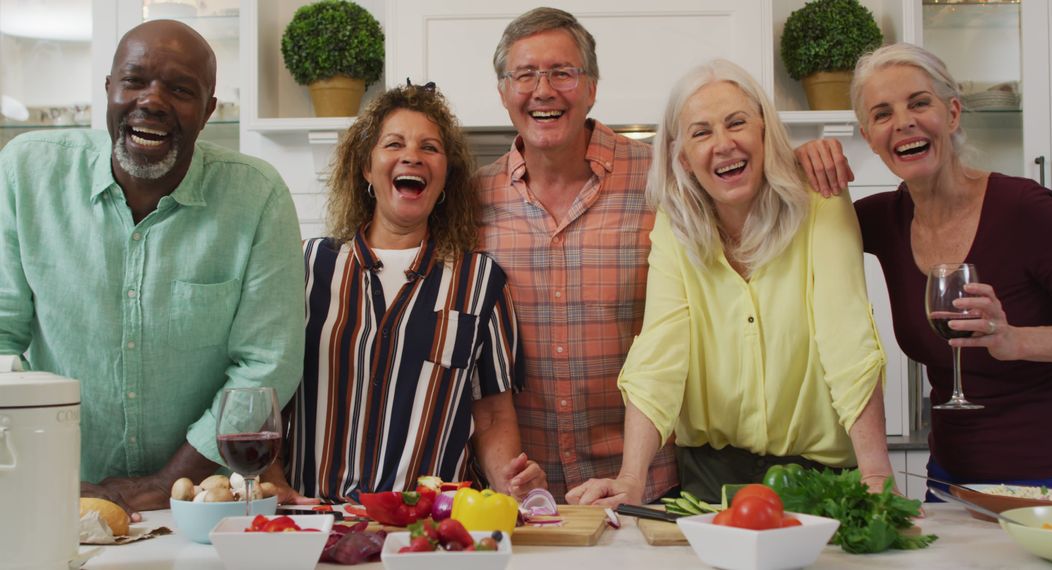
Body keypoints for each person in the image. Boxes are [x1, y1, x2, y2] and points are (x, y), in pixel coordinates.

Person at [0, 20, 305, 518]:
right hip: (51, 494)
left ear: (208, 111)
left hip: (202, 502)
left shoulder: (258, 197)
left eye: (180, 89)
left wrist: (169, 483)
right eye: (134, 80)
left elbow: (265, 365)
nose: (152, 100)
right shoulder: (24, 173)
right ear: (108, 89)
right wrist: (42, 469)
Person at [566, 59, 895, 507]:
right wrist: (630, 478)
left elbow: (848, 337)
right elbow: (660, 351)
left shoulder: (819, 203)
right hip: (709, 477)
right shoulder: (675, 226)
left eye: (736, 123)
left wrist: (876, 473)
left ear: (764, 132)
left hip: (821, 477)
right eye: (701, 132)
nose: (723, 144)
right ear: (683, 157)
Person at [809, 43, 1052, 494]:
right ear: (870, 138)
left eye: (919, 103)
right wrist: (805, 160)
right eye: (882, 114)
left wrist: (1015, 339)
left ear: (952, 114)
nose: (903, 122)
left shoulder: (1024, 209)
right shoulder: (879, 221)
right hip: (949, 482)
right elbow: (788, 220)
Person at [261, 83, 546, 503]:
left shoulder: (480, 280)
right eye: (393, 143)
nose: (412, 155)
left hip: (430, 528)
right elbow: (269, 393)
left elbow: (491, 416)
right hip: (316, 519)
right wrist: (272, 480)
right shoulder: (308, 266)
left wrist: (512, 486)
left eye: (430, 148)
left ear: (446, 175)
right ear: (365, 168)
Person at [477, 7, 679, 502]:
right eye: (525, 74)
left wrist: (804, 156)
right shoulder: (471, 198)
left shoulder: (665, 177)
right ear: (503, 91)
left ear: (591, 87)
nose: (543, 90)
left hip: (650, 485)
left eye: (562, 72)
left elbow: (745, 182)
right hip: (523, 493)